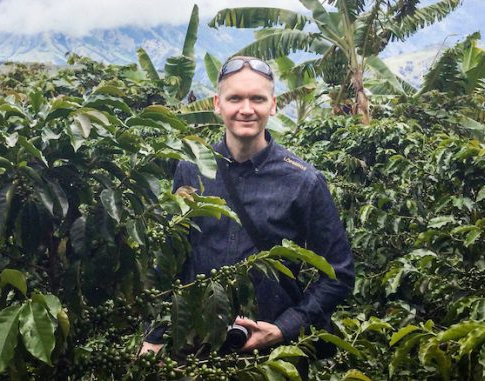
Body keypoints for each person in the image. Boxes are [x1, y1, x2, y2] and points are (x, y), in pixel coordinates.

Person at [140, 56, 355, 378]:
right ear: (217, 104)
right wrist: (154, 335)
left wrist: (283, 328)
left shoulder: (303, 181)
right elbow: (173, 257)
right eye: (235, 98)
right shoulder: (190, 167)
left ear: (273, 105)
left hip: (267, 356)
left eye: (257, 98)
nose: (246, 109)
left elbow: (338, 274)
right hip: (192, 347)